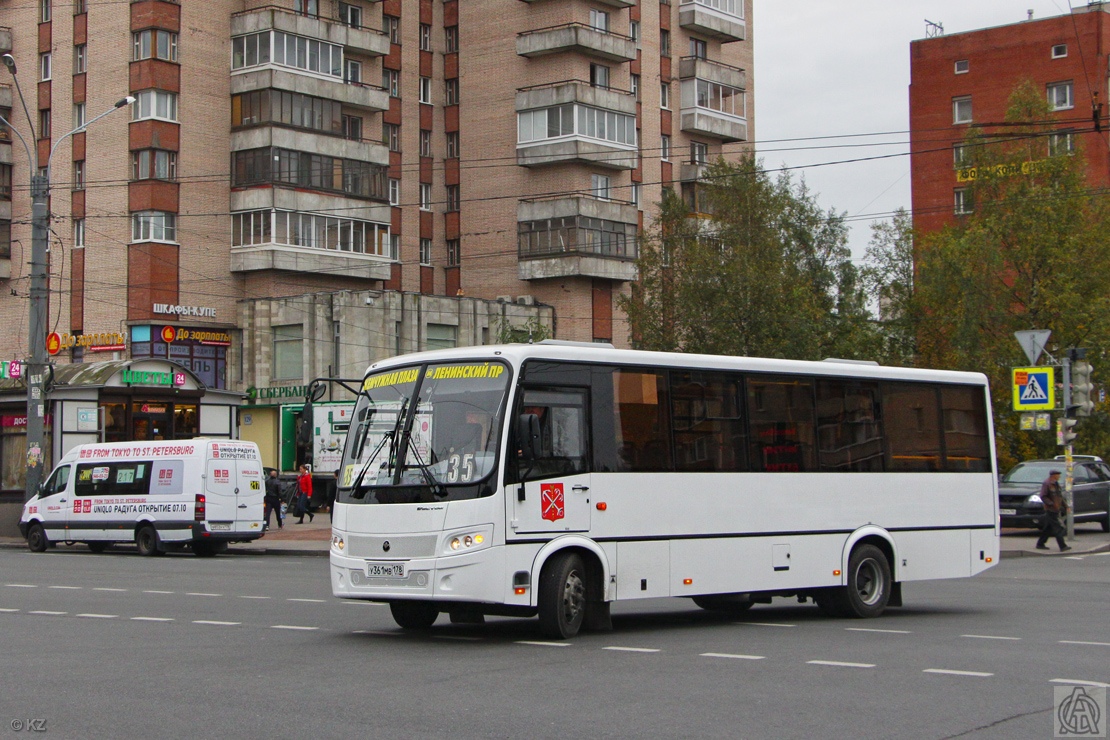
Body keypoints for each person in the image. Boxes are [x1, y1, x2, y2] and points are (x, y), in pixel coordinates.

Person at [1035, 470, 1071, 552]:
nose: (1059, 477)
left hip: (1056, 509)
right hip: (1050, 509)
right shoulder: (1047, 483)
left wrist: (1066, 506)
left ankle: (1040, 544)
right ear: (1053, 475)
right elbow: (1043, 496)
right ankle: (1063, 546)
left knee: (1048, 528)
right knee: (1057, 527)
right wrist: (1051, 504)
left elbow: (1060, 497)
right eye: (1058, 475)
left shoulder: (1056, 484)